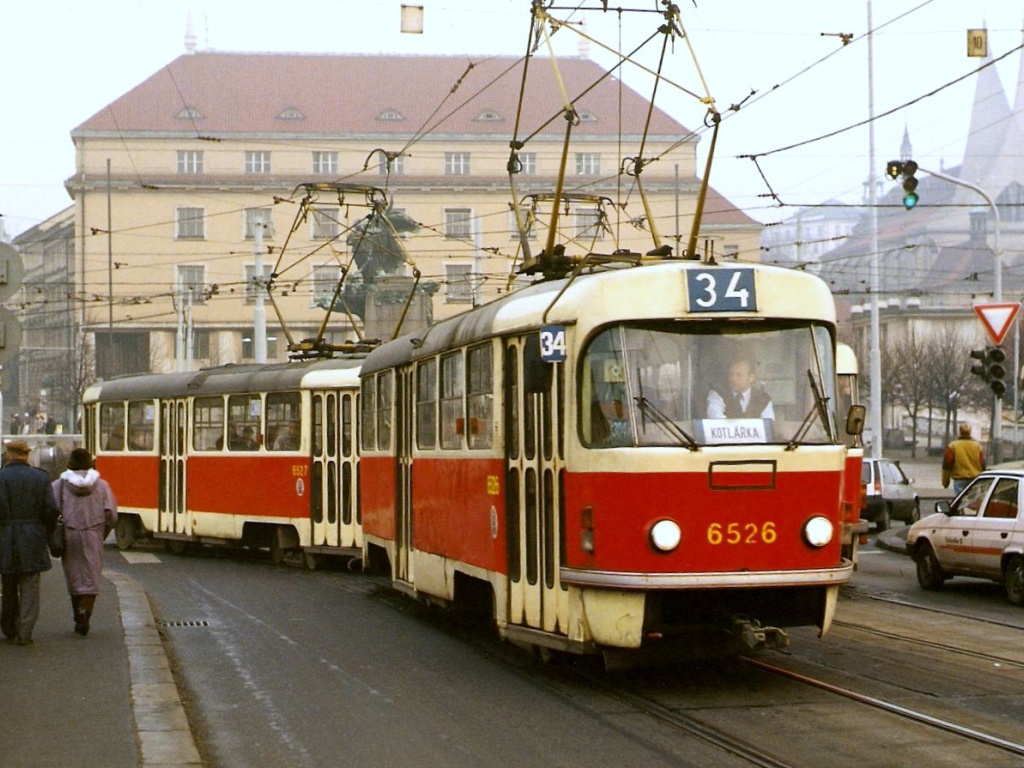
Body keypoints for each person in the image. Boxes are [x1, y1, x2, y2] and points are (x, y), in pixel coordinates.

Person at [0, 439, 60, 645]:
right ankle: (25, 632)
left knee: (8, 583)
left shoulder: (1, 477)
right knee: (29, 585)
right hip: (33, 537)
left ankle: (8, 627)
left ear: (9, 455)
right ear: (26, 455)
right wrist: (44, 531)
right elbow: (51, 509)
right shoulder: (40, 477)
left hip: (5, 537)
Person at [53, 448, 118, 637]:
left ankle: (77, 613)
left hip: (69, 534)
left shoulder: (60, 485)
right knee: (91, 576)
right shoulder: (102, 486)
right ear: (90, 463)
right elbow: (112, 515)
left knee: (74, 574)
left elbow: (50, 509)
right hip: (93, 534)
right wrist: (102, 532)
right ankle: (85, 613)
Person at [706, 357, 775, 420]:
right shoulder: (717, 394)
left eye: (739, 375)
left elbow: (768, 426)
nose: (733, 379)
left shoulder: (763, 399)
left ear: (751, 378)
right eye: (731, 374)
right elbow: (716, 419)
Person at [942, 423, 986, 495]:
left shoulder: (953, 446)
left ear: (960, 431)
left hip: (960, 479)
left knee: (960, 502)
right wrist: (984, 483)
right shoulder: (977, 446)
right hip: (974, 479)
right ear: (970, 432)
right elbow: (983, 465)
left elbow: (946, 465)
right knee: (972, 502)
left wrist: (945, 482)